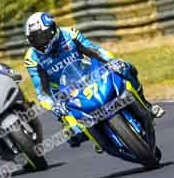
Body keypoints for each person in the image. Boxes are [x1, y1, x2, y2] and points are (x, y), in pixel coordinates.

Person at [23, 12, 165, 147]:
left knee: (126, 68)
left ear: (53, 30)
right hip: (64, 92)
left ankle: (146, 106)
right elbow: (42, 90)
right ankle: (97, 138)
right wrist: (55, 105)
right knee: (73, 134)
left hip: (87, 74)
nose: (41, 42)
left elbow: (94, 50)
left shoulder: (69, 34)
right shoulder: (32, 58)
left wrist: (112, 61)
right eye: (35, 39)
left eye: (43, 36)